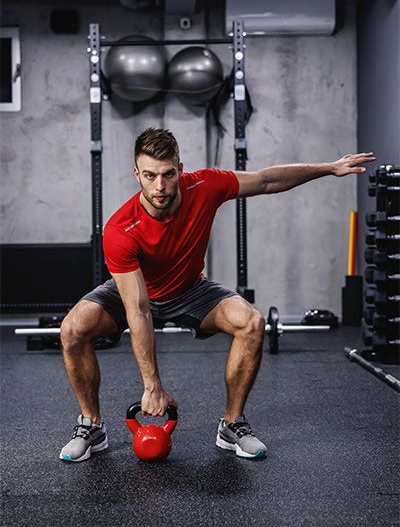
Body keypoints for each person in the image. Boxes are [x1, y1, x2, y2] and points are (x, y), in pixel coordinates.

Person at [59, 127, 375, 462]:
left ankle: (232, 424)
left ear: (181, 168)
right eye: (150, 176)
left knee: (251, 323)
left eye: (168, 174)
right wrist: (152, 386)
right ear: (136, 173)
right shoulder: (121, 229)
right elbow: (138, 309)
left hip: (188, 288)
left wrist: (328, 167)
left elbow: (266, 180)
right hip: (133, 290)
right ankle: (91, 425)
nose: (160, 186)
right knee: (73, 329)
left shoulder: (204, 185)